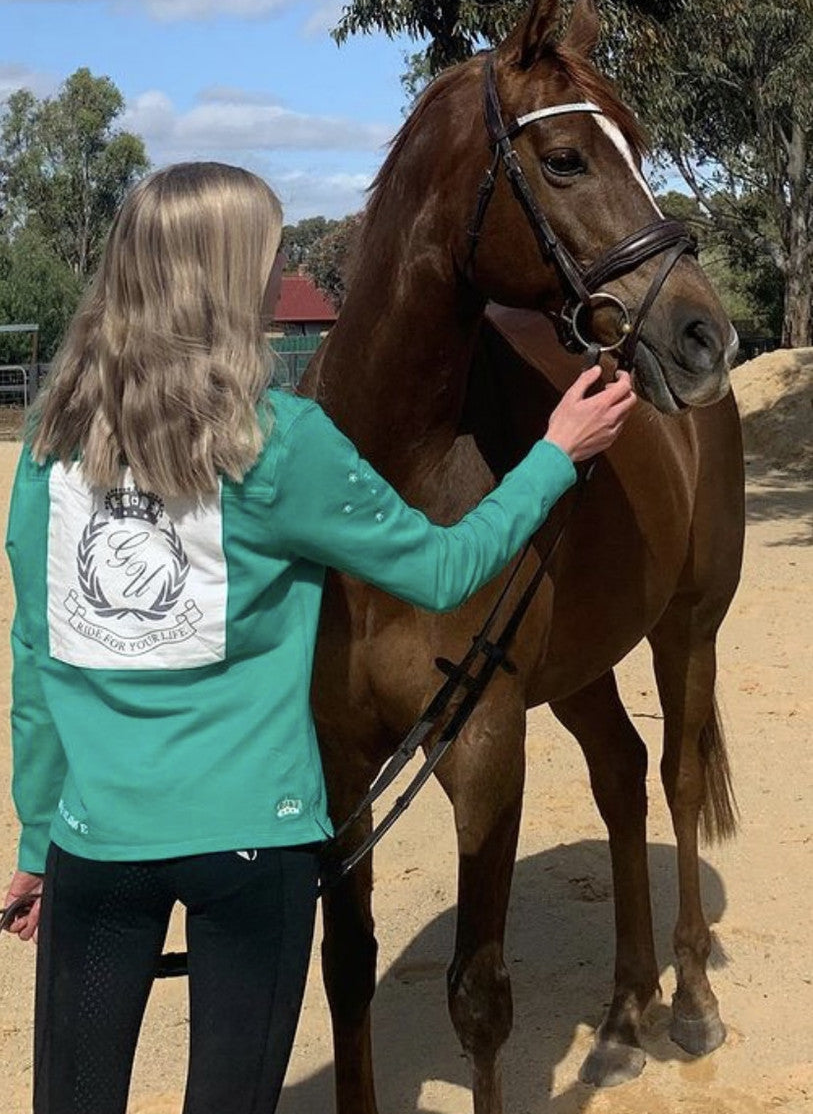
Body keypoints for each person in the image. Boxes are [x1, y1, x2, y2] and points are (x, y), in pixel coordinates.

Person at [2, 161, 636, 1114]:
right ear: (222, 281)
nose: (276, 275)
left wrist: (39, 843)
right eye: (265, 255)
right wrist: (554, 455)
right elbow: (444, 570)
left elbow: (39, 665)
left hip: (96, 847)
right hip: (253, 855)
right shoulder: (280, 441)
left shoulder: (49, 453)